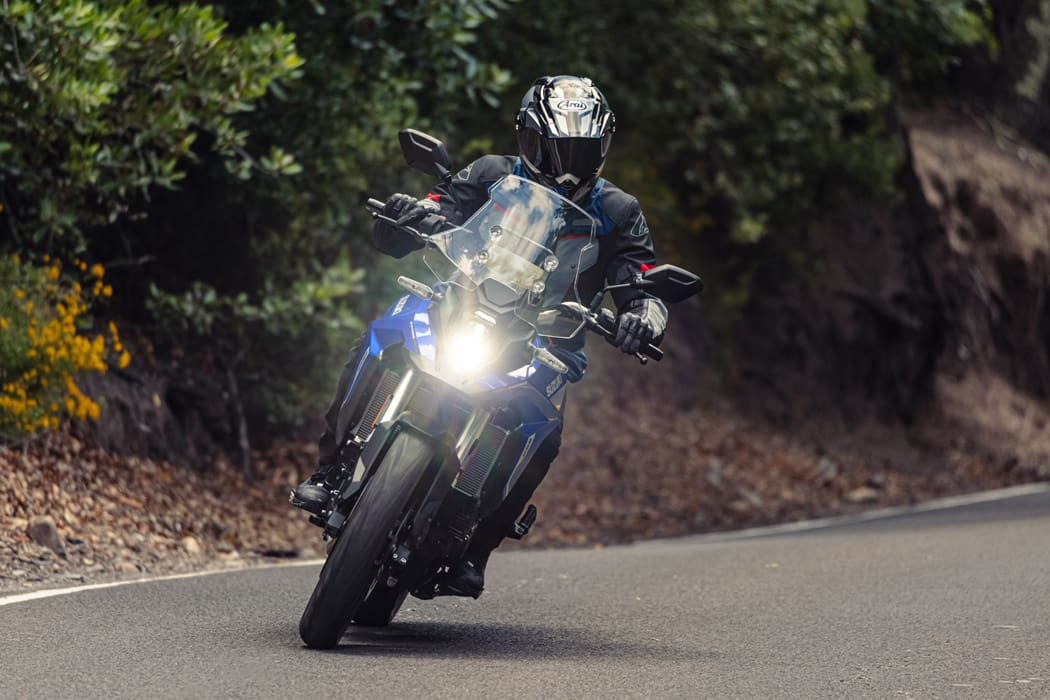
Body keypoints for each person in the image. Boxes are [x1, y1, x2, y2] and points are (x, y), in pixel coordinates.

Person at [291, 75, 668, 597]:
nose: (565, 167)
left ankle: (474, 548)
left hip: (547, 342)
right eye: (554, 149)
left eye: (580, 152)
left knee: (544, 431)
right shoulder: (492, 174)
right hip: (461, 304)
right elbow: (441, 203)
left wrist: (642, 316)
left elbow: (641, 280)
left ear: (602, 149)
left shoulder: (620, 211)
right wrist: (411, 213)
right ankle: (332, 468)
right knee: (384, 331)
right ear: (527, 137)